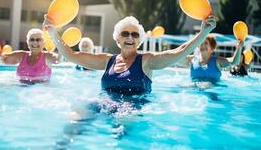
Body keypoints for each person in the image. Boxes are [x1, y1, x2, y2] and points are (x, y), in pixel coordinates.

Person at [43, 15, 216, 95]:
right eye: (125, 34)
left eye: (135, 35)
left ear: (139, 41)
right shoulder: (107, 61)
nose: (130, 38)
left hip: (134, 110)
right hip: (103, 106)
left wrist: (203, 33)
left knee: (121, 127)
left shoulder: (146, 62)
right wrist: (52, 31)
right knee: (74, 122)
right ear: (117, 39)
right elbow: (71, 55)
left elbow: (179, 51)